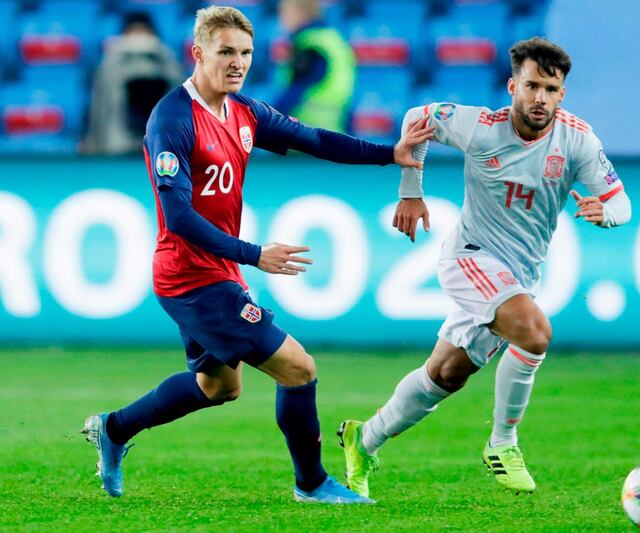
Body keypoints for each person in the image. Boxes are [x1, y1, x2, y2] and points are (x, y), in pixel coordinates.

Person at [81, 5, 433, 504]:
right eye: (226, 52)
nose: (238, 62)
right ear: (197, 53)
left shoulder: (242, 111)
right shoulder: (173, 119)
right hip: (190, 276)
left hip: (213, 269)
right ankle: (311, 484)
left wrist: (387, 153)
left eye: (246, 52)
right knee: (299, 368)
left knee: (218, 387)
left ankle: (114, 429)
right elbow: (178, 216)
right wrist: (254, 254)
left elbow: (312, 138)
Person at [338, 37, 632, 498]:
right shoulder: (479, 126)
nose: (540, 98)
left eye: (551, 89)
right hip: (470, 256)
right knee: (534, 333)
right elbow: (418, 118)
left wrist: (606, 213)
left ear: (562, 94)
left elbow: (621, 202)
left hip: (518, 275)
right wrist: (410, 192)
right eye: (531, 86)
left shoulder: (578, 140)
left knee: (446, 375)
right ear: (512, 85)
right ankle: (503, 443)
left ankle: (364, 438)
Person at [81, 11, 184, 155]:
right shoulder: (110, 64)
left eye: (144, 31)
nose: (139, 39)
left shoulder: (168, 61)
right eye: (133, 32)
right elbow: (99, 108)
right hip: (118, 144)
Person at [272, 0, 355, 132]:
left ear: (299, 13)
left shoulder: (310, 46)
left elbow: (294, 92)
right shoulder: (333, 40)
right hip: (333, 137)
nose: (280, 19)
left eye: (283, 12)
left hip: (306, 139)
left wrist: (266, 124)